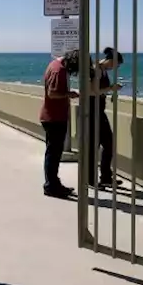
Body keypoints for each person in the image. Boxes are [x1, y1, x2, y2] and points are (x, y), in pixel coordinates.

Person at [40, 49, 80, 199]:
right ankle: (51, 185)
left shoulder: (54, 64)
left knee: (53, 153)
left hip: (52, 116)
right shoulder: (60, 70)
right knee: (53, 154)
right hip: (54, 118)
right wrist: (69, 94)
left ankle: (54, 183)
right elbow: (52, 93)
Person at [87, 48, 124, 189]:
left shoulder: (102, 71)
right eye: (117, 64)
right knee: (93, 145)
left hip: (99, 111)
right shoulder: (96, 69)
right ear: (112, 60)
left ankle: (106, 177)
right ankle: (90, 180)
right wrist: (111, 88)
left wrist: (110, 90)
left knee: (108, 143)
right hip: (92, 111)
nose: (116, 67)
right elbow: (91, 91)